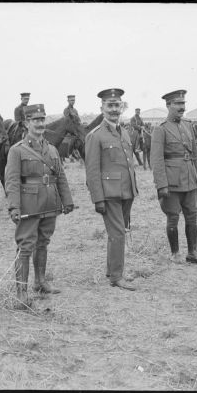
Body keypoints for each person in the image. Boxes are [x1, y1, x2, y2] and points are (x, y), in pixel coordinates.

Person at [5, 104, 74, 302]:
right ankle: (21, 292)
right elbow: (12, 181)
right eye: (35, 120)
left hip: (49, 204)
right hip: (28, 205)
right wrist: (14, 207)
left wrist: (67, 200)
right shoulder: (16, 151)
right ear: (27, 123)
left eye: (42, 120)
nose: (40, 124)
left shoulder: (52, 149)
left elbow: (60, 176)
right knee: (26, 246)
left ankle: (40, 282)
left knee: (43, 242)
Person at [85, 88, 139, 291]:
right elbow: (92, 170)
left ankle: (112, 270)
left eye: (117, 105)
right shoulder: (95, 136)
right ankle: (116, 277)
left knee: (117, 233)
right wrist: (97, 199)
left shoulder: (123, 132)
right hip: (109, 194)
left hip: (127, 192)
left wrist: (133, 189)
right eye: (110, 105)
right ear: (102, 108)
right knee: (118, 234)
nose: (114, 109)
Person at [151, 89, 197, 265]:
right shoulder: (161, 130)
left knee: (192, 216)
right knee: (173, 217)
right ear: (168, 105)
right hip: (172, 181)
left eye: (183, 104)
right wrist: (162, 185)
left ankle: (193, 252)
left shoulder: (188, 125)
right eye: (178, 104)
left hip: (190, 179)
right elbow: (157, 160)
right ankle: (175, 253)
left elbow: (195, 155)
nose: (182, 107)